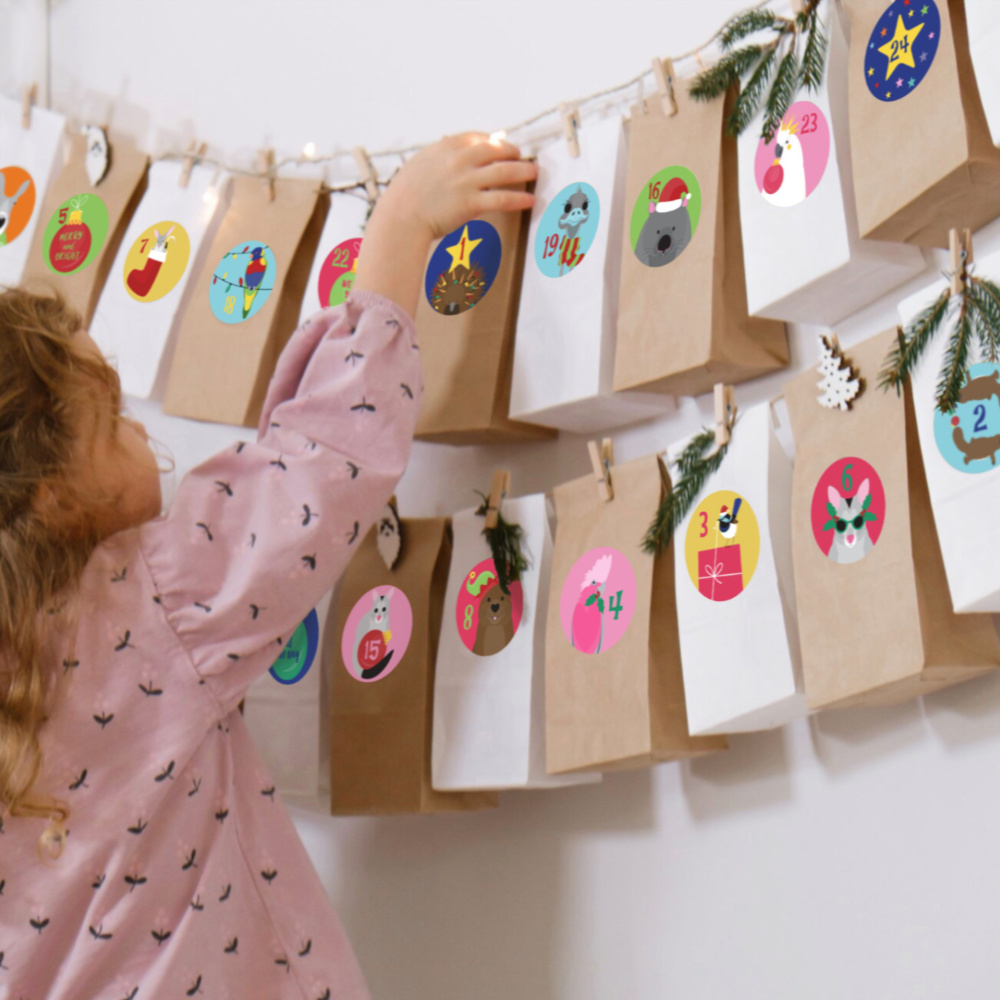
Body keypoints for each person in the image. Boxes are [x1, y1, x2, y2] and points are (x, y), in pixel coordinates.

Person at [0, 133, 536, 1000]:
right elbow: (322, 460)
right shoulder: (153, 603)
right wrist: (399, 234)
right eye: (112, 419)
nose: (145, 430)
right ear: (53, 500)